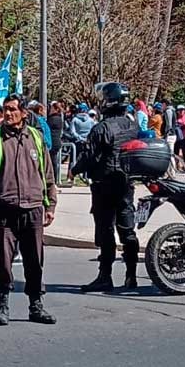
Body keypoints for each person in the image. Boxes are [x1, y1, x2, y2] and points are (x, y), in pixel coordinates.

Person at [0, 94, 57, 326]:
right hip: (5, 208)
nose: (8, 113)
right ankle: (2, 306)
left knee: (35, 260)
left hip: (33, 207)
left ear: (24, 113)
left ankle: (36, 306)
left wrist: (50, 203)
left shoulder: (36, 138)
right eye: (5, 109)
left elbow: (47, 173)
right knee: (3, 260)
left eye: (12, 109)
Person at [75, 83, 140, 292]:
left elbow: (89, 156)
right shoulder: (133, 126)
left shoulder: (101, 128)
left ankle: (105, 276)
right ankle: (131, 276)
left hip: (105, 185)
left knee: (106, 231)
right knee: (127, 229)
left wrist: (74, 170)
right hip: (126, 184)